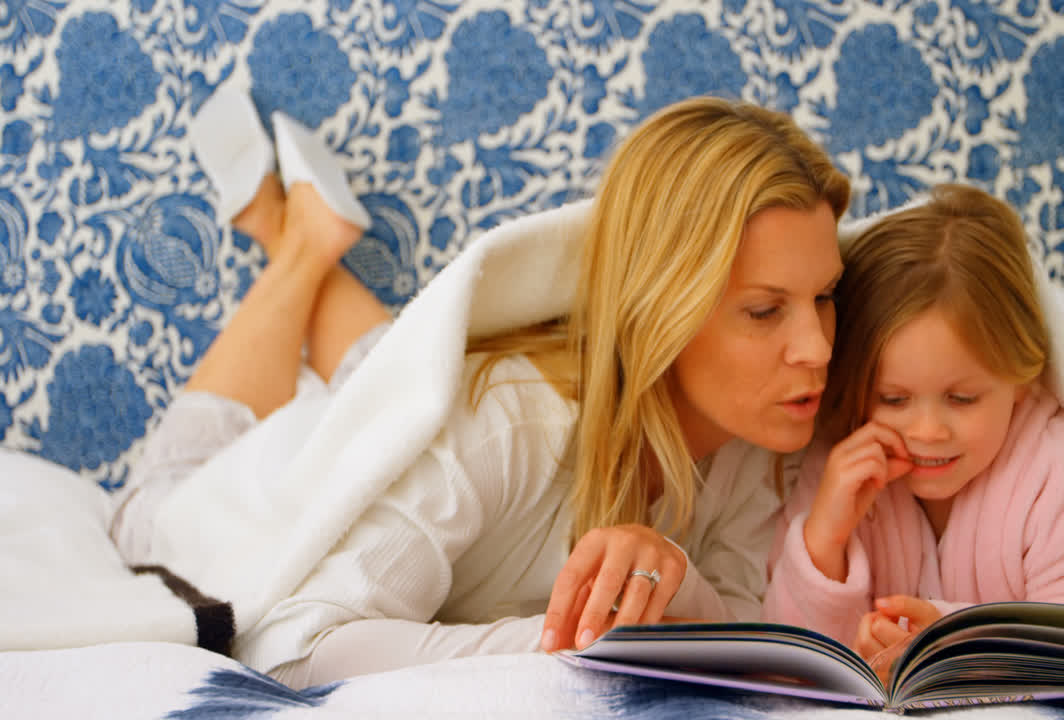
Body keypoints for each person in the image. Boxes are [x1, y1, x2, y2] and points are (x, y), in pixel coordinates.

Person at [112, 93, 852, 687]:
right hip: (264, 480)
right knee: (148, 503)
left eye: (825, 297)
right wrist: (576, 642)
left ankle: (296, 229)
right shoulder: (512, 425)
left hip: (464, 420)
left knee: (384, 363)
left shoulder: (759, 436)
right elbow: (293, 647)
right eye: (764, 311)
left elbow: (730, 633)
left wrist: (671, 574)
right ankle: (288, 236)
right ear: (661, 308)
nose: (818, 349)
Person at [762, 184, 1064, 681]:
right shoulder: (841, 469)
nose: (927, 430)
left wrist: (954, 642)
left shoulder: (1062, 471)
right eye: (892, 399)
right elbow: (787, 653)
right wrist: (824, 539)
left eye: (962, 398)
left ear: (1022, 378)